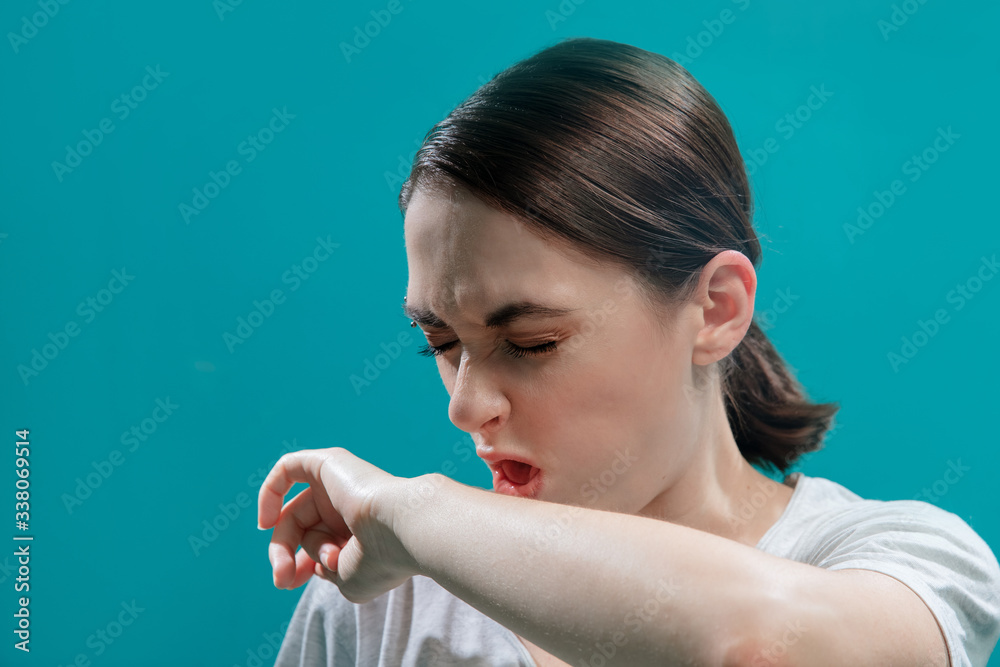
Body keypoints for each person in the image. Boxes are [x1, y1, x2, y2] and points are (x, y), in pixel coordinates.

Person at [258, 37, 1000, 666]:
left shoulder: (906, 559)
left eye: (532, 342)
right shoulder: (379, 608)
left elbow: (757, 649)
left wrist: (418, 514)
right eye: (441, 344)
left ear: (716, 308)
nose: (466, 405)